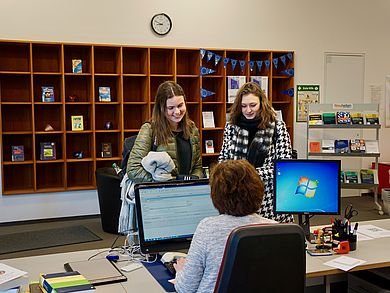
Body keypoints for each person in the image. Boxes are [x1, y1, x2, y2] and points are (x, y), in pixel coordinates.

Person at [174, 160, 276, 293]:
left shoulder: (208, 228)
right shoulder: (276, 229)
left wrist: (180, 271)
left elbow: (185, 288)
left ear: (215, 195)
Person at [218, 82, 293, 222]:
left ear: (262, 103)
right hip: (237, 201)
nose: (248, 110)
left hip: (269, 201)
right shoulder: (231, 127)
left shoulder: (277, 127)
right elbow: (223, 160)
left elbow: (284, 167)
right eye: (244, 106)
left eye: (253, 105)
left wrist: (246, 175)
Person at [127, 81, 203, 182]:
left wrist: (194, 179)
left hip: (186, 192)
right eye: (171, 108)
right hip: (161, 192)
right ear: (161, 108)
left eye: (180, 105)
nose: (177, 112)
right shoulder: (149, 129)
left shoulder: (192, 129)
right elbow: (133, 169)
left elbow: (197, 167)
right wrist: (158, 181)